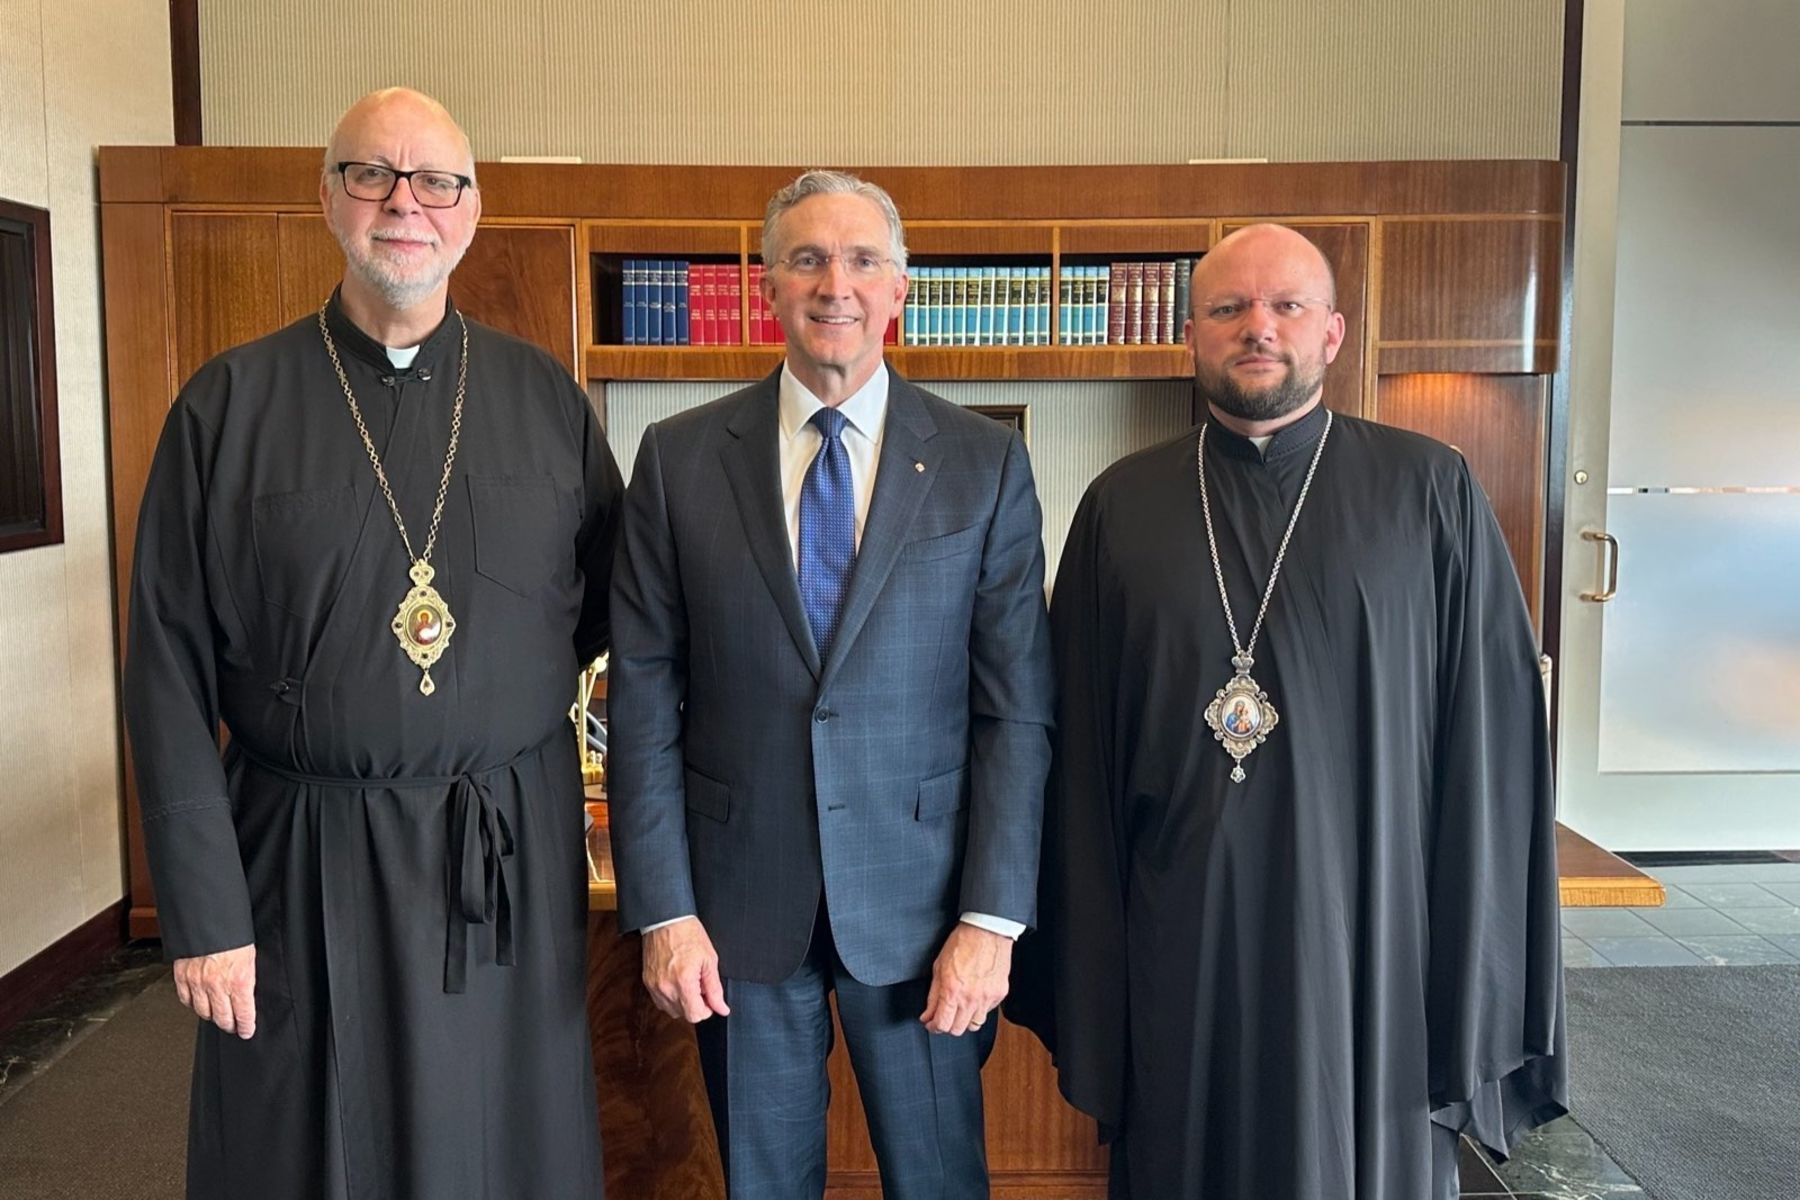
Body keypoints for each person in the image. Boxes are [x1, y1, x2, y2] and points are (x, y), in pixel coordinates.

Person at [122, 88, 619, 1199]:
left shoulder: (544, 400)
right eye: (372, 173)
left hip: (500, 854)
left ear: (473, 207)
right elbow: (164, 669)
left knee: (504, 1147)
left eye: (437, 178)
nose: (406, 202)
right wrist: (201, 913)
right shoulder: (228, 406)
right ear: (328, 195)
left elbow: (591, 615)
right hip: (301, 859)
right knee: (305, 1151)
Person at [1009, 224, 1566, 1199]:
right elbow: (1076, 763)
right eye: (1228, 308)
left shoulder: (1429, 489)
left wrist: (1471, 945)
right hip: (1178, 931)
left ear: (1333, 334)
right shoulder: (1120, 508)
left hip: (1375, 935)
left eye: (1286, 307)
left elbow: (1493, 742)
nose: (1257, 328)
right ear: (1191, 334)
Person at [607, 169, 1054, 1199]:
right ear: (767, 285)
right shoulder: (677, 461)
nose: (834, 283)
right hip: (736, 915)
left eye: (861, 260)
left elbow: (1016, 711)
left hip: (925, 910)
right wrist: (664, 911)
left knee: (940, 1182)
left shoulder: (985, 464)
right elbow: (642, 701)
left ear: (900, 289)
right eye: (807, 258)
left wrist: (991, 919)